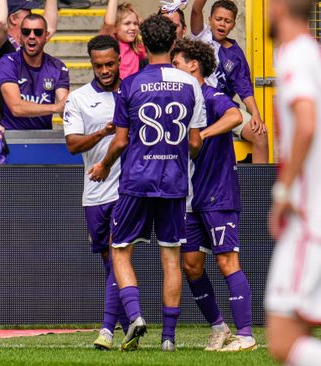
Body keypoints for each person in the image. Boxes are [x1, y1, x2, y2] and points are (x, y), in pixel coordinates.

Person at [88, 15, 205, 352]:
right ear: (173, 44)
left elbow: (121, 141)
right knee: (171, 258)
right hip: (174, 182)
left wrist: (104, 164)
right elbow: (195, 143)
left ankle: (136, 316)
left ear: (142, 45)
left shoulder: (132, 84)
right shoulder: (190, 84)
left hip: (137, 180)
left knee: (120, 251)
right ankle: (168, 339)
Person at [171, 38, 257, 351]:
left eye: (177, 63)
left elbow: (235, 116)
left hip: (218, 194)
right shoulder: (179, 101)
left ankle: (246, 335)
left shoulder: (212, 95)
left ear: (193, 64)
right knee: (191, 264)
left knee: (226, 261)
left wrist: (203, 135)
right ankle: (220, 328)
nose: (173, 68)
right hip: (189, 198)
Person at [63, 34, 128, 350]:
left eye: (109, 64)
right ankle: (130, 323)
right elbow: (72, 145)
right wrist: (103, 131)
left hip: (127, 190)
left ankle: (107, 330)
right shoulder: (78, 99)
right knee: (109, 260)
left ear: (119, 60)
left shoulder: (131, 92)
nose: (104, 70)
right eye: (98, 65)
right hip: (95, 190)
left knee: (117, 256)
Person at [265, 0, 321, 364]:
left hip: (307, 219)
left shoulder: (294, 55)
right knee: (297, 335)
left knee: (283, 342)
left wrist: (284, 191)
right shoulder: (311, 53)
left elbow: (306, 122)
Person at [190, 0, 269, 163]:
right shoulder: (201, 35)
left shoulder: (235, 54)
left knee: (260, 134)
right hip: (196, 104)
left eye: (227, 21)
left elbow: (244, 87)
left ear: (233, 24)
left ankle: (259, 189)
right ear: (210, 18)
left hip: (223, 109)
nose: (222, 24)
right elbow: (196, 10)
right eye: (218, 19)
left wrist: (255, 113)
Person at [0, 13, 69, 130]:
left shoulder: (58, 67)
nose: (31, 36)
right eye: (26, 32)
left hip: (43, 139)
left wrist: (66, 107)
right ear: (20, 35)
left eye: (38, 32)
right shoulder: (8, 62)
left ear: (46, 35)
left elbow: (64, 106)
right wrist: (55, 108)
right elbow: (16, 108)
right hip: (13, 138)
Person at [0, 0, 58, 114]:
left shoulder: (29, 41)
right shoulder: (1, 41)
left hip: (27, 112)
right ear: (13, 18)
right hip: (2, 120)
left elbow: (49, 28)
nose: (32, 18)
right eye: (28, 14)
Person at [99, 0, 146, 79]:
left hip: (132, 90)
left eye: (135, 24)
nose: (133, 28)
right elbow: (109, 23)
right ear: (115, 27)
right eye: (127, 23)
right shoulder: (111, 43)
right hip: (114, 89)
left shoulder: (137, 47)